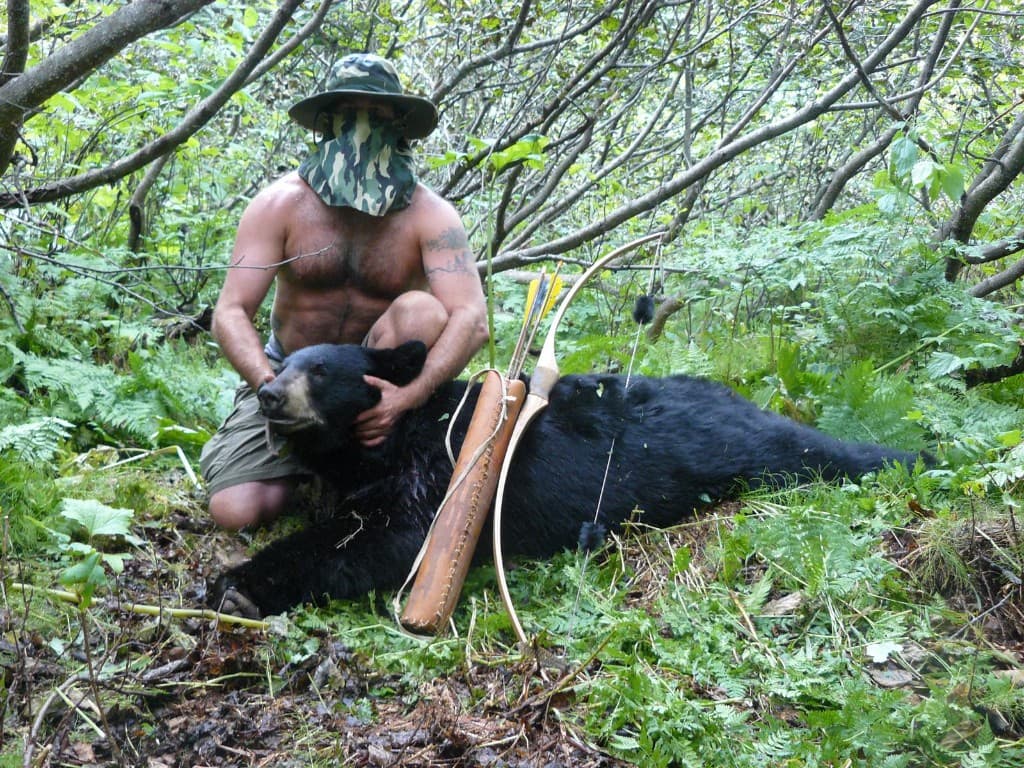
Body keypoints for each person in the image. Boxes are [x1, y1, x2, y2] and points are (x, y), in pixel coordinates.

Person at [200, 53, 488, 531]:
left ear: (398, 125)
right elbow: (230, 311)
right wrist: (268, 386)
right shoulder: (281, 205)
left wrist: (410, 395)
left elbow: (471, 319)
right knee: (238, 511)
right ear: (327, 122)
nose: (361, 129)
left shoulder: (430, 216)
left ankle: (381, 459)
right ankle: (298, 462)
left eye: (375, 115)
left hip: (376, 390)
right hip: (288, 376)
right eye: (349, 113)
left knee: (421, 311)